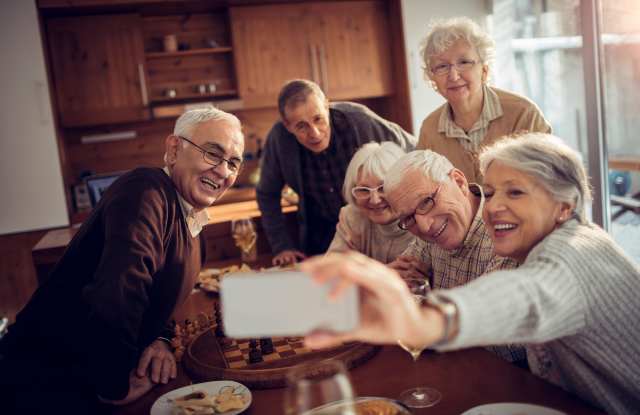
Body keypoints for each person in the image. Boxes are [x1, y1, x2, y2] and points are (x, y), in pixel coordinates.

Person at [302, 133, 640, 415]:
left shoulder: (574, 251)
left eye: (516, 192)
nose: (492, 207)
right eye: (490, 193)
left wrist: (423, 322)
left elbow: (521, 297)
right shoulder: (534, 244)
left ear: (564, 205)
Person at [0, 107, 244, 413]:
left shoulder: (192, 221)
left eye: (233, 163)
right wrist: (112, 384)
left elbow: (158, 297)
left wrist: (161, 339)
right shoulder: (146, 188)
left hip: (84, 381)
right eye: (212, 153)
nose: (223, 171)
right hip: (41, 383)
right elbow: (120, 289)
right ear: (173, 149)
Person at [383, 149, 523, 365]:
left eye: (426, 202)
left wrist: (422, 313)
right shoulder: (428, 232)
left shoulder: (505, 228)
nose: (424, 226)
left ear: (458, 181)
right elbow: (396, 292)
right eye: (408, 218)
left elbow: (501, 343)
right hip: (453, 372)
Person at [257, 79, 416, 266]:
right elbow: (267, 193)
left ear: (326, 106)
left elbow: (415, 151)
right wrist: (282, 245)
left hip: (372, 231)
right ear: (287, 125)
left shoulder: (361, 121)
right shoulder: (279, 140)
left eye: (318, 119)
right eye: (301, 126)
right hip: (321, 237)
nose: (314, 133)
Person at [417, 17, 550, 183]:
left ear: (484, 71)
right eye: (442, 66)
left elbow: (546, 184)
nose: (454, 75)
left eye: (464, 62)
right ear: (432, 78)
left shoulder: (524, 114)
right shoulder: (429, 130)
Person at [326, 142, 415, 263]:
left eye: (383, 188)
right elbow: (331, 270)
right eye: (363, 190)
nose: (374, 200)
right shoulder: (352, 217)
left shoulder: (424, 222)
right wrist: (384, 273)